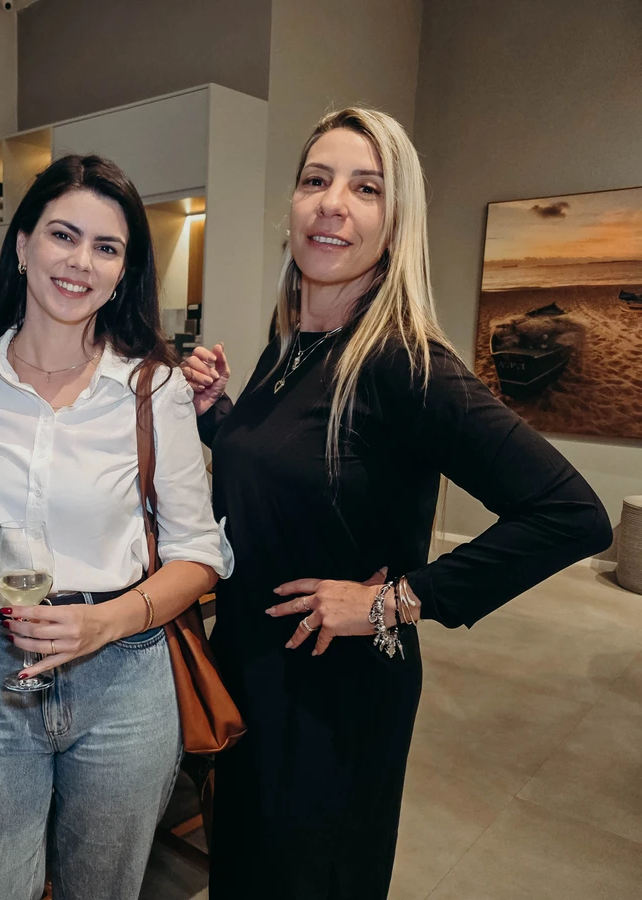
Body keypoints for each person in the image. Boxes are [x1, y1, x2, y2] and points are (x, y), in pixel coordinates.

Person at [182, 107, 613, 899]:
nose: (332, 203)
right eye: (317, 180)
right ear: (293, 205)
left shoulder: (405, 364)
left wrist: (395, 601)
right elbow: (298, 474)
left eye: (366, 188)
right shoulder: (290, 348)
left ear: (396, 222)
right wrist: (221, 419)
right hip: (251, 669)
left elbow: (571, 514)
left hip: (332, 692)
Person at [0, 154, 230, 900]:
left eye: (106, 247)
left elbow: (199, 553)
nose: (81, 262)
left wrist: (104, 624)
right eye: (64, 235)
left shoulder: (153, 386)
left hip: (123, 675)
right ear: (23, 244)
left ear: (123, 272)